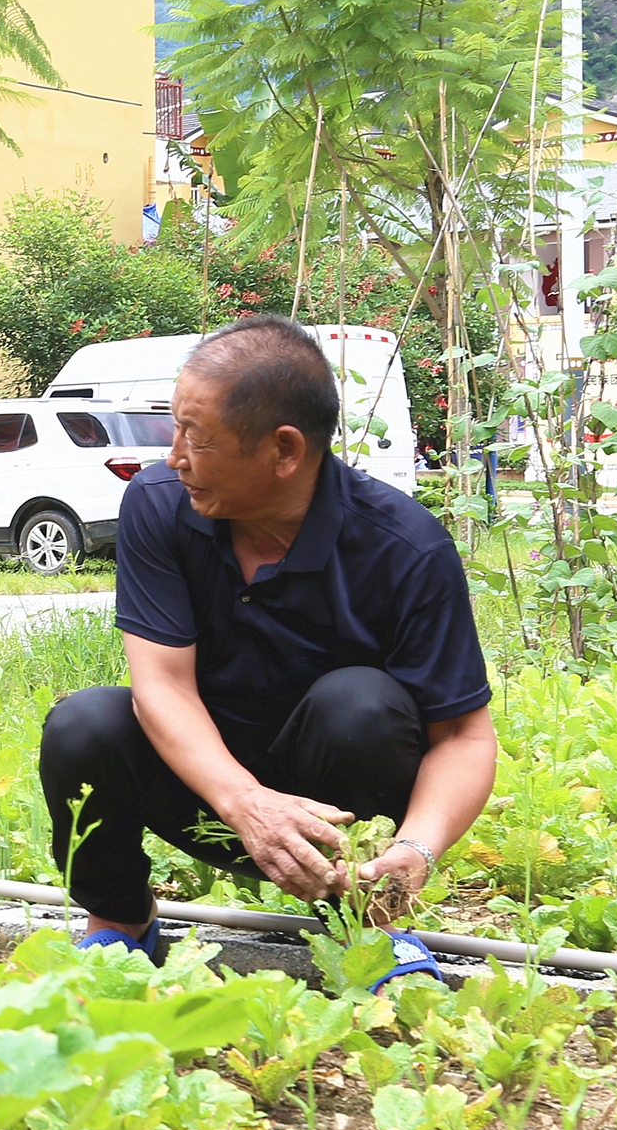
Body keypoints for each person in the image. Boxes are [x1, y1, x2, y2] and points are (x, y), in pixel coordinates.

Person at [37, 315, 500, 988]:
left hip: (334, 823)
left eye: (197, 437)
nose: (174, 456)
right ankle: (120, 923)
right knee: (84, 726)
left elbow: (463, 736)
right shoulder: (160, 507)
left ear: (284, 451)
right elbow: (162, 687)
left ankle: (374, 928)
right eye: (175, 428)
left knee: (361, 706)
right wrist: (247, 802)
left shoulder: (406, 548)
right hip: (207, 791)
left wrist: (416, 846)